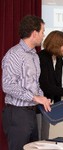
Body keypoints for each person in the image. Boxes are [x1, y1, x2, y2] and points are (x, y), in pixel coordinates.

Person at [2, 15, 51, 150]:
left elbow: (34, 85)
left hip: (31, 113)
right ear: (34, 34)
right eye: (42, 32)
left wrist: (42, 98)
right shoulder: (14, 54)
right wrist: (34, 97)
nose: (43, 35)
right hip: (17, 114)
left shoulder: (34, 55)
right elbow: (8, 85)